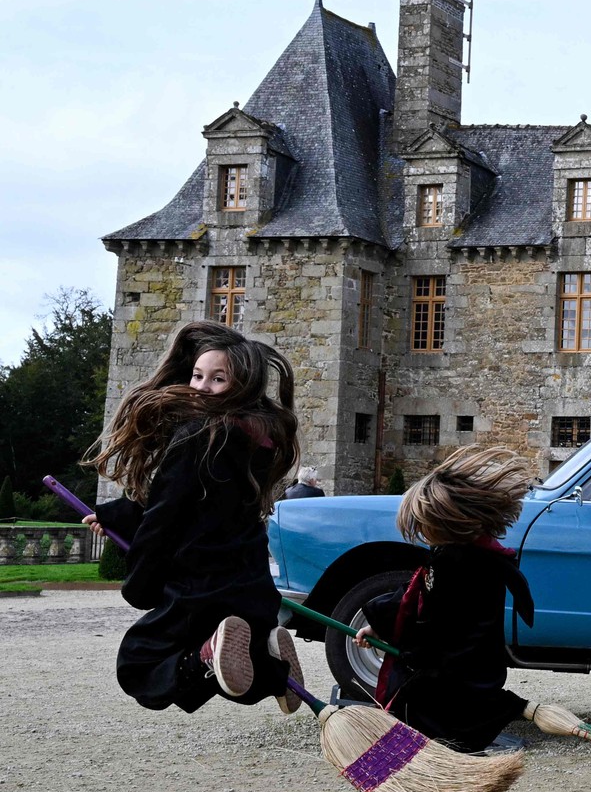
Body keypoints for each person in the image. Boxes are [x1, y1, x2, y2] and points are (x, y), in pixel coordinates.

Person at [83, 319, 305, 714]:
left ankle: (212, 655)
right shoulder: (262, 441)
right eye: (198, 375)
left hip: (201, 586)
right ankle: (272, 662)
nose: (202, 386)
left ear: (244, 385)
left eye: (217, 379)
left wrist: (140, 585)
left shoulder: (199, 437)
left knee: (140, 663)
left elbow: (165, 519)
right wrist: (116, 516)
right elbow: (204, 508)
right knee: (239, 662)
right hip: (251, 583)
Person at [353, 446, 538, 754]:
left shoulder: (458, 564)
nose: (422, 533)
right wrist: (378, 625)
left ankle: (397, 783)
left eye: (424, 525)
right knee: (448, 745)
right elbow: (419, 600)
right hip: (467, 678)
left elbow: (435, 619)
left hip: (448, 683)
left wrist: (408, 648)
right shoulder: (475, 558)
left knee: (416, 739)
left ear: (445, 522)